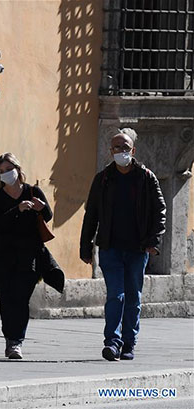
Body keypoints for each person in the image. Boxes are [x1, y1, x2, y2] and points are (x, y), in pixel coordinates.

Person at [80, 128, 166, 361]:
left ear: (133, 151)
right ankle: (112, 343)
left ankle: (129, 342)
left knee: (133, 298)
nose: (120, 152)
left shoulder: (146, 177)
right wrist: (85, 247)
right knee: (115, 296)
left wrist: (153, 240)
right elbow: (92, 215)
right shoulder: (103, 179)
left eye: (124, 148)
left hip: (138, 249)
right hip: (110, 248)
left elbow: (160, 211)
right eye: (116, 148)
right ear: (110, 151)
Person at [0, 152, 53, 359]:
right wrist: (17, 209)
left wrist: (42, 208)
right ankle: (10, 340)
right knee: (6, 299)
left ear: (18, 169)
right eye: (1, 171)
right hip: (2, 255)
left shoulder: (33, 191)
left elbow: (48, 216)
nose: (6, 174)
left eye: (9, 169)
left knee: (21, 298)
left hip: (29, 255)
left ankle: (17, 342)